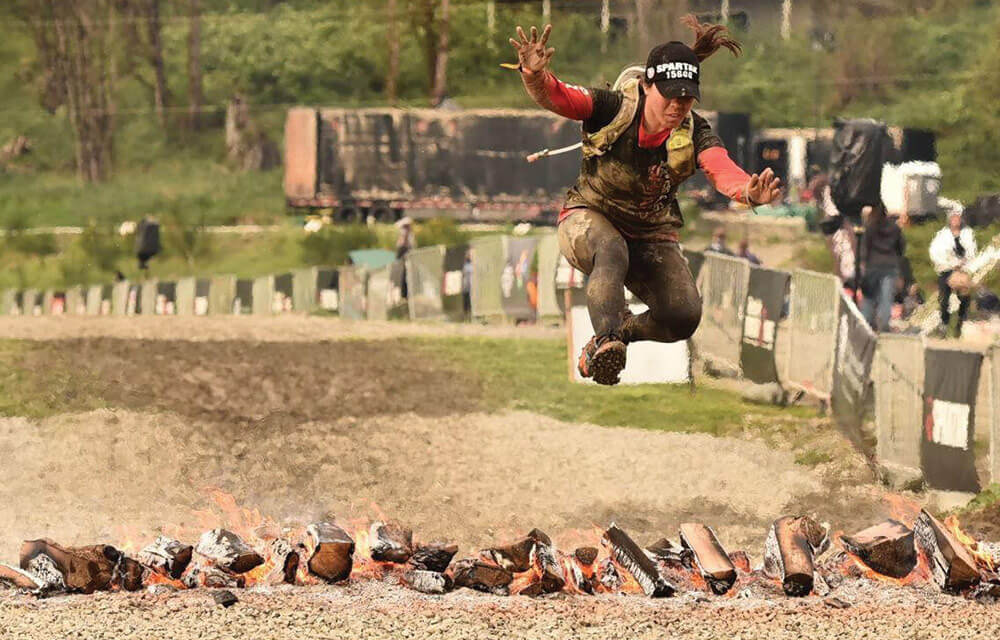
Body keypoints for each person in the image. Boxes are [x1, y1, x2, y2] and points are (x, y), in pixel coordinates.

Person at [509, 17, 781, 384]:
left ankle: (615, 339)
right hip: (587, 219)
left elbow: (720, 168)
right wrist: (533, 73)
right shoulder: (611, 107)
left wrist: (747, 191)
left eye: (687, 98)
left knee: (682, 315)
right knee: (611, 248)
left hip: (651, 235)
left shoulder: (694, 131)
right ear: (647, 85)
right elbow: (559, 96)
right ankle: (606, 340)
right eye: (671, 95)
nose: (679, 106)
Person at [929, 208, 977, 337]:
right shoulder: (942, 235)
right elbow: (935, 253)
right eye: (954, 218)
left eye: (958, 217)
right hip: (946, 269)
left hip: (963, 269)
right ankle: (944, 324)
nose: (956, 220)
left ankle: (960, 324)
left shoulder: (968, 233)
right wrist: (951, 263)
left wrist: (964, 265)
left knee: (964, 296)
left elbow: (972, 252)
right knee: (944, 299)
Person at [859, 204, 905, 332]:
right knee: (886, 298)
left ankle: (865, 325)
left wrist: (863, 264)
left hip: (872, 266)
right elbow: (901, 248)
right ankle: (884, 326)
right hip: (890, 266)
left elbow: (864, 248)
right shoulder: (895, 228)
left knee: (869, 297)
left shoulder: (870, 228)